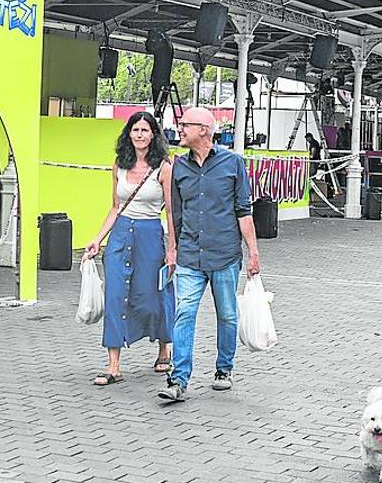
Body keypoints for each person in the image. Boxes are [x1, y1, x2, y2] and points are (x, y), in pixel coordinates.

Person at [157, 107, 261, 402]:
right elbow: (175, 213)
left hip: (225, 254)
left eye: (185, 124)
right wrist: (172, 249)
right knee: (185, 312)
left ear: (203, 130)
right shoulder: (178, 167)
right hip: (190, 254)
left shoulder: (233, 164)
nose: (180, 129)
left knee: (227, 315)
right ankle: (178, 379)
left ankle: (223, 368)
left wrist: (253, 252)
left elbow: (244, 211)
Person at [84, 111, 176, 386]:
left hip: (150, 234)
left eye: (145, 131)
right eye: (135, 130)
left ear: (153, 135)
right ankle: (113, 365)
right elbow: (115, 207)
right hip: (121, 234)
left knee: (153, 295)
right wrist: (98, 238)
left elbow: (171, 211)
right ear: (128, 134)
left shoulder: (164, 167)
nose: (139, 135)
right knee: (114, 295)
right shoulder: (119, 165)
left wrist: (172, 248)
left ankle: (164, 346)